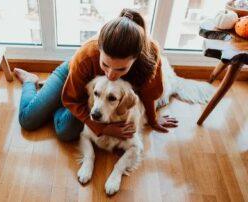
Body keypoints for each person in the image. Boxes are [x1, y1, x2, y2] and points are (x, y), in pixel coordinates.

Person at [14, 8, 178, 141]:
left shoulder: (150, 56)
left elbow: (150, 94)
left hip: (97, 97)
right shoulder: (86, 54)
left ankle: (53, 102)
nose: (111, 75)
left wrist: (153, 120)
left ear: (136, 59)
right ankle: (31, 81)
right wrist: (104, 128)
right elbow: (71, 99)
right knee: (28, 120)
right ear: (99, 51)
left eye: (121, 69)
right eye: (105, 65)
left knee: (66, 132)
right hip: (70, 74)